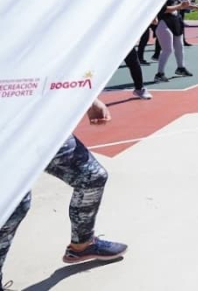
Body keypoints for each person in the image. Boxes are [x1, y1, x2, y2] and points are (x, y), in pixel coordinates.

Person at [0, 98, 128, 288]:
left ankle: (82, 245)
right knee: (14, 205)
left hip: (41, 124)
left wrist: (90, 98)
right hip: (6, 129)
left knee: (92, 177)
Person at [155, 0, 197, 83]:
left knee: (179, 47)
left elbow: (181, 5)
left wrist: (193, 7)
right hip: (164, 23)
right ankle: (159, 74)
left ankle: (181, 68)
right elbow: (164, 9)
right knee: (167, 50)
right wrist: (180, 6)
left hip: (176, 22)